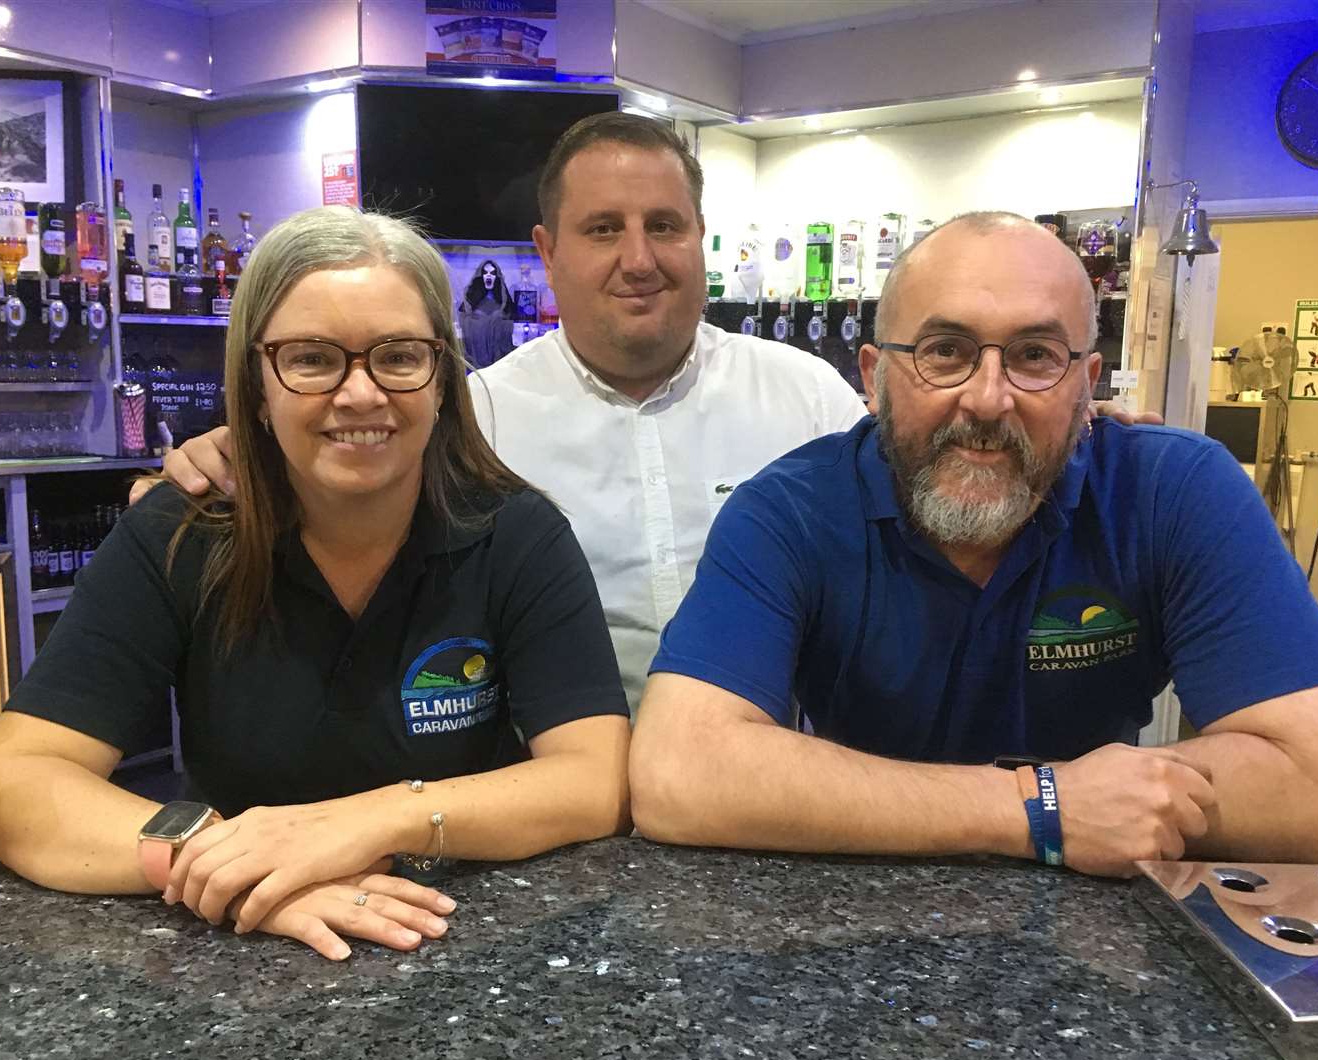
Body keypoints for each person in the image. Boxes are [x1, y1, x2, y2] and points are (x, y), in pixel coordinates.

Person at [139, 115, 1155, 717]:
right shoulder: (470, 416)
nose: (639, 257)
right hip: (534, 801)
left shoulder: (807, 396)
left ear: (702, 238)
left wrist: (1061, 417)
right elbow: (345, 473)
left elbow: (950, 463)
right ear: (547, 249)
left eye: (665, 225)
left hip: (771, 797)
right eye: (602, 229)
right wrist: (248, 450)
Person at [0, 207, 631, 960]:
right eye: (312, 359)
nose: (361, 393)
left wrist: (374, 820)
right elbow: (8, 786)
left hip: (469, 937)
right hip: (243, 948)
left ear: (441, 378)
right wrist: (225, 863)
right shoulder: (180, 534)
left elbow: (593, 779)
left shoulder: (516, 534)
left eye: (399, 356)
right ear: (255, 385)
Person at [629, 212, 1318, 878]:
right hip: (857, 912)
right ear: (874, 377)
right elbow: (678, 771)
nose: (988, 399)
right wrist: (1042, 807)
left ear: (1086, 386)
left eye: (1034, 356)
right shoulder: (789, 510)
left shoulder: (1173, 491)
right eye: (945, 351)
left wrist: (1105, 804)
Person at [458, 258, 517, 368]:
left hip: (499, 363)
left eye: (492, 273)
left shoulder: (504, 304)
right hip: (474, 362)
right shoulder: (470, 304)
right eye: (485, 273)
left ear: (497, 276)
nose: (489, 275)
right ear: (480, 276)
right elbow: (462, 331)